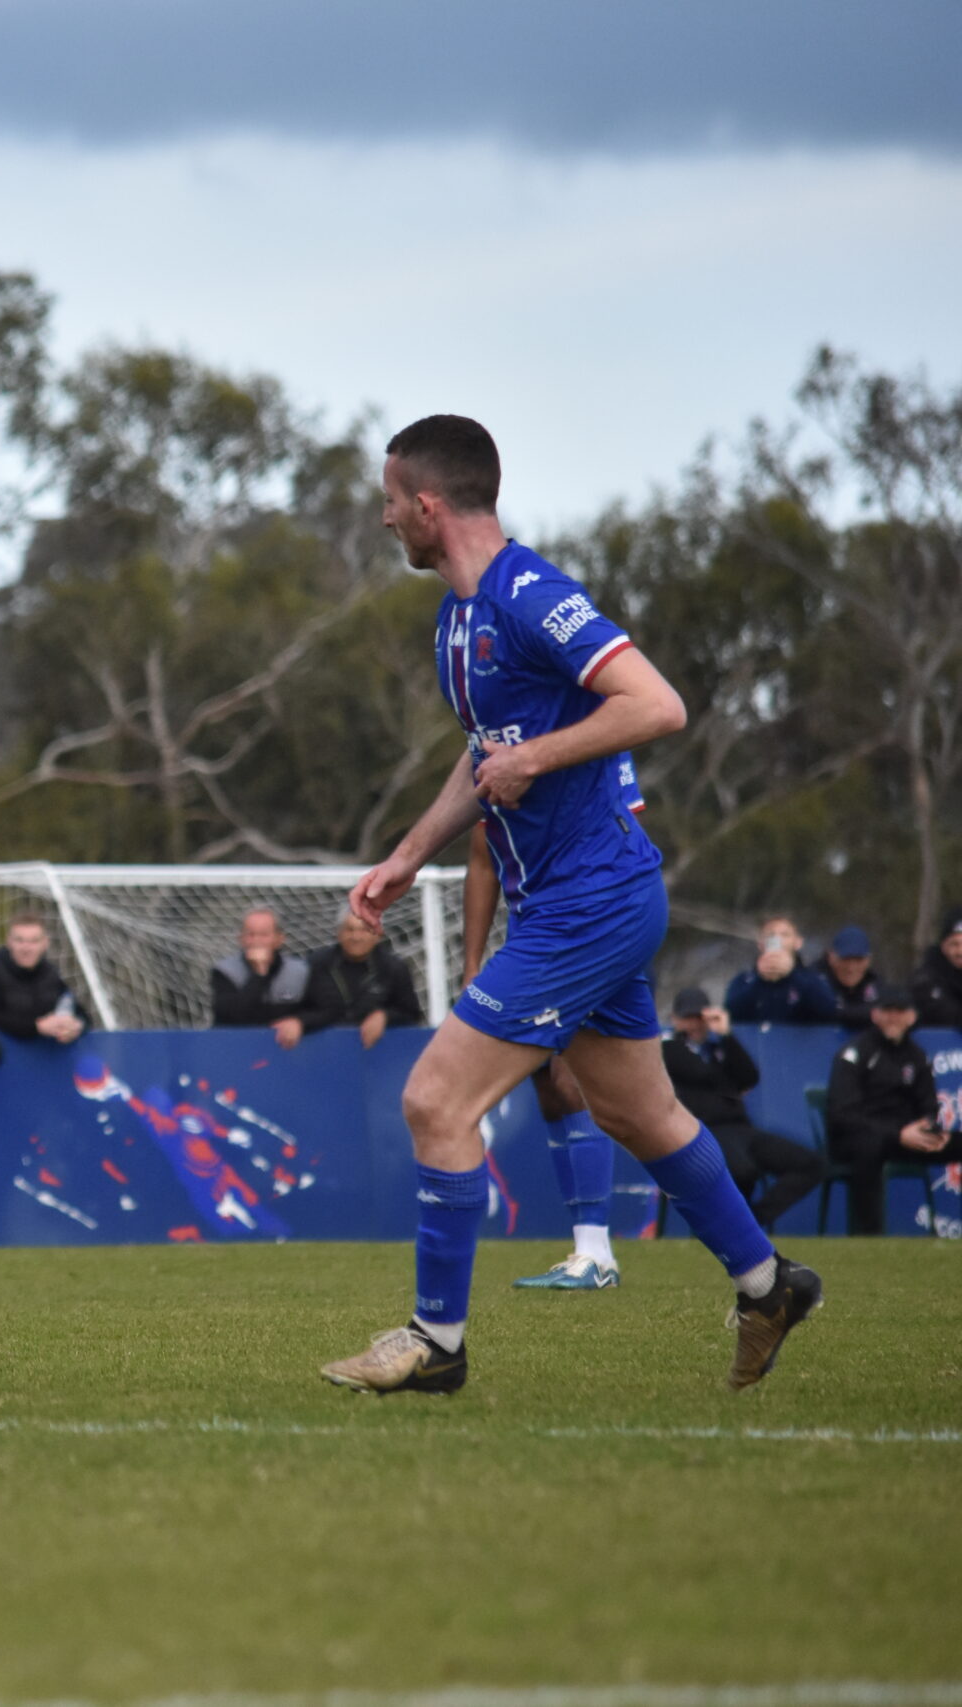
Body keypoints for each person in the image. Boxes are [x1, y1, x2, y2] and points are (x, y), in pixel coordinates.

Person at [324, 414, 817, 1397]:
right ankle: (769, 1284)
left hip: (591, 901)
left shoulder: (530, 594)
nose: (384, 521)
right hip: (568, 901)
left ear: (427, 504)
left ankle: (437, 1340)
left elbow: (655, 704)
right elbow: (483, 762)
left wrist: (536, 757)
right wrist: (403, 856)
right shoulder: (456, 620)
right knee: (641, 1114)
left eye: (388, 502)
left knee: (433, 1099)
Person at [464, 821, 625, 1290]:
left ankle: (598, 1253)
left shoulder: (590, 767)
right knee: (550, 1085)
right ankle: (590, 1250)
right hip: (532, 948)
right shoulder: (494, 776)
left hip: (589, 939)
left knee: (596, 1090)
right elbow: (481, 858)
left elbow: (629, 834)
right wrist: (471, 964)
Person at [662, 987, 823, 1230]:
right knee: (743, 1171)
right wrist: (728, 1080)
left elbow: (749, 1077)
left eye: (699, 1017)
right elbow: (698, 1072)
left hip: (740, 1127)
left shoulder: (719, 1048)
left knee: (810, 1164)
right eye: (688, 1018)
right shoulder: (669, 1048)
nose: (694, 1025)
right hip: (704, 1130)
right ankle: (735, 1228)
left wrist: (727, 1036)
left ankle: (754, 1221)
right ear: (675, 1020)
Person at [826, 986, 960, 1235]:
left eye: (901, 1011)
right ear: (875, 1014)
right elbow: (842, 1114)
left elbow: (929, 1105)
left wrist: (931, 1130)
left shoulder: (917, 1056)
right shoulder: (856, 1053)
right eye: (888, 1011)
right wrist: (897, 1134)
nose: (894, 1018)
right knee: (869, 1147)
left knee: (956, 1141)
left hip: (908, 1138)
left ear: (912, 1016)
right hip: (860, 1138)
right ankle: (867, 1235)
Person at [297, 912, 424, 1046]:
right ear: (338, 933)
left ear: (377, 934)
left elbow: (412, 1014)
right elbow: (299, 1008)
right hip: (322, 1047)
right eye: (350, 930)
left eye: (364, 930)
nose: (356, 937)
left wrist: (385, 1016)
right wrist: (299, 1021)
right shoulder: (316, 964)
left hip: (377, 1051)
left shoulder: (394, 968)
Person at [0, 915, 88, 1044]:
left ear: (45, 943)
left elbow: (80, 1013)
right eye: (19, 940)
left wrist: (75, 1026)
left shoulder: (50, 972)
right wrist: (37, 1027)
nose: (26, 948)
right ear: (8, 941)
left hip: (44, 1058)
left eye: (34, 941)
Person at [209, 907, 307, 1048]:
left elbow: (321, 1010)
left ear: (279, 939)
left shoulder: (300, 971)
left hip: (288, 1051)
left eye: (264, 934)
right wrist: (259, 974)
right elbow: (232, 1017)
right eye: (250, 934)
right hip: (236, 1049)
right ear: (241, 938)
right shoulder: (224, 972)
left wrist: (300, 1021)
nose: (256, 941)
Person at [722, 915, 840, 1026]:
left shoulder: (813, 978)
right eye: (770, 935)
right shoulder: (744, 980)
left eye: (785, 935)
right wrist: (760, 979)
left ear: (798, 942)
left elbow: (829, 1012)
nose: (777, 940)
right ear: (760, 943)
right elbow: (731, 1015)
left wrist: (792, 974)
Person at [818, 926, 882, 1030]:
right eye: (845, 959)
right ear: (830, 957)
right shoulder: (814, 981)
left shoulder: (874, 982)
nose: (851, 968)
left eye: (858, 960)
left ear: (868, 960)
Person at [913, 908, 962, 1031]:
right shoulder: (926, 977)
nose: (960, 952)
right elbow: (944, 1013)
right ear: (943, 945)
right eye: (954, 944)